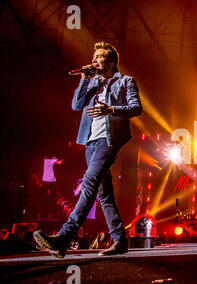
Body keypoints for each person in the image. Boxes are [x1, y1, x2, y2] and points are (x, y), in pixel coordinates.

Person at [34, 41, 143, 258]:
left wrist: (110, 109)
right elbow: (76, 105)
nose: (94, 60)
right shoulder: (91, 82)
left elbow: (136, 107)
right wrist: (84, 80)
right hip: (90, 142)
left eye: (100, 56)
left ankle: (64, 237)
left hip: (109, 140)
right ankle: (120, 239)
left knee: (89, 183)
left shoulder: (125, 82)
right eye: (94, 56)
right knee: (104, 194)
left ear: (111, 61)